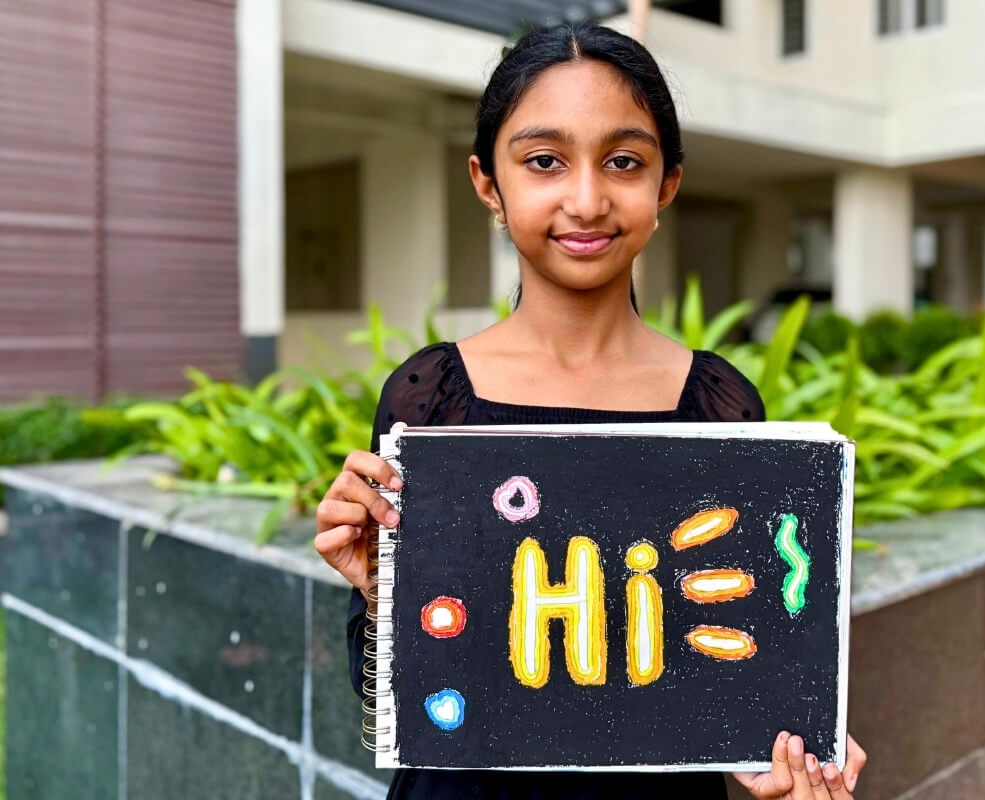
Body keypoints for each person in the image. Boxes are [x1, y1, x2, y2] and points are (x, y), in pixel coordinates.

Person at [314, 20, 867, 800]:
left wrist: (792, 764)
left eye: (624, 162)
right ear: (487, 183)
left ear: (667, 184)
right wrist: (382, 587)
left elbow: (742, 669)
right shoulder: (429, 398)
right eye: (544, 161)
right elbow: (387, 701)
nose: (586, 198)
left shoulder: (719, 405)